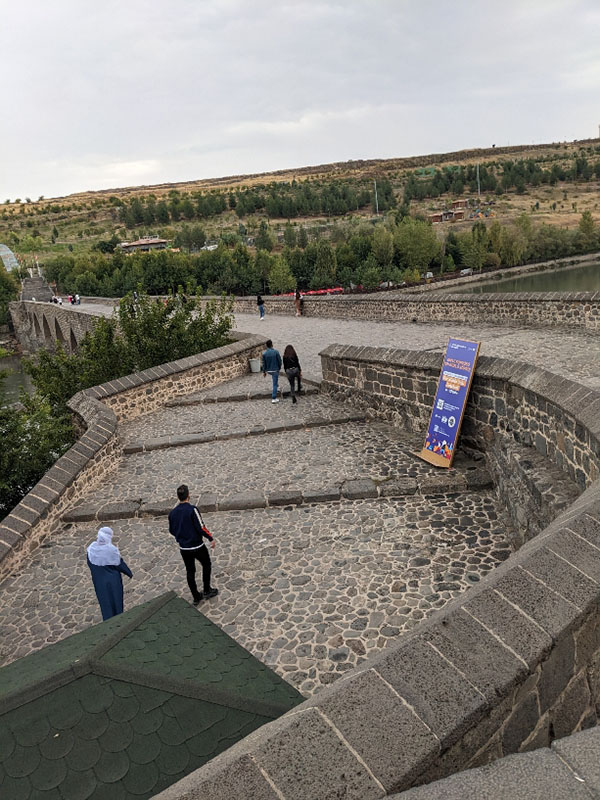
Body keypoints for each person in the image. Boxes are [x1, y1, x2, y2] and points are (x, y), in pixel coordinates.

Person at [168, 484, 218, 605]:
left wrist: (180, 537)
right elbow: (201, 527)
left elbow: (171, 530)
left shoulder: (173, 513)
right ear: (188, 495)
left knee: (190, 571)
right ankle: (207, 589)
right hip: (197, 546)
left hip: (184, 548)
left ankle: (196, 596)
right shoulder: (192, 510)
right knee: (206, 564)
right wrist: (210, 538)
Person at [87, 527, 133, 621]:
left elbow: (90, 564)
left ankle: (108, 621)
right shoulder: (111, 550)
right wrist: (129, 573)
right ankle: (119, 619)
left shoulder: (91, 549)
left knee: (105, 602)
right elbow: (119, 564)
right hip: (113, 581)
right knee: (116, 600)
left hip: (99, 581)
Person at [261, 339, 282, 403]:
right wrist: (279, 368)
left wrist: (264, 372)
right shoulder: (276, 352)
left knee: (275, 380)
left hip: (269, 370)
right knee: (274, 384)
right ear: (272, 345)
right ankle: (274, 397)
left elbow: (264, 363)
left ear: (266, 346)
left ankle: (277, 388)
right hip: (275, 369)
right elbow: (280, 361)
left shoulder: (264, 354)